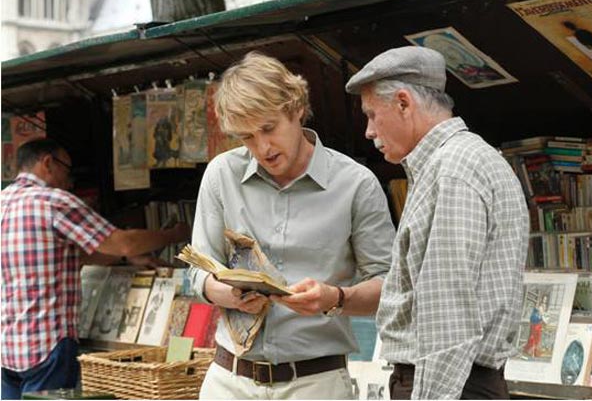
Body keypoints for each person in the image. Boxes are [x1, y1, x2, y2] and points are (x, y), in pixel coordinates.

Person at [189, 51, 395, 400]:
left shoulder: (356, 184)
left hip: (315, 384)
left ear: (297, 107)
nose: (262, 147)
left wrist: (335, 299)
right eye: (246, 137)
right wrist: (226, 294)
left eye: (269, 128)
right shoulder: (221, 174)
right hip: (228, 381)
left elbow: (390, 285)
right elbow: (197, 271)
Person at [345, 46, 530, 400]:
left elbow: (448, 315)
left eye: (372, 114)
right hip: (463, 381)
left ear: (403, 103)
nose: (368, 131)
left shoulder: (452, 168)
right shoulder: (461, 160)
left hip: (451, 384)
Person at [1, 138, 191, 400]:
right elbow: (123, 242)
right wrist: (173, 235)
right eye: (68, 170)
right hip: (47, 345)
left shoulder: (4, 202)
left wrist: (126, 259)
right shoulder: (52, 201)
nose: (70, 182)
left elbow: (69, 256)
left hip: (8, 347)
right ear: (48, 163)